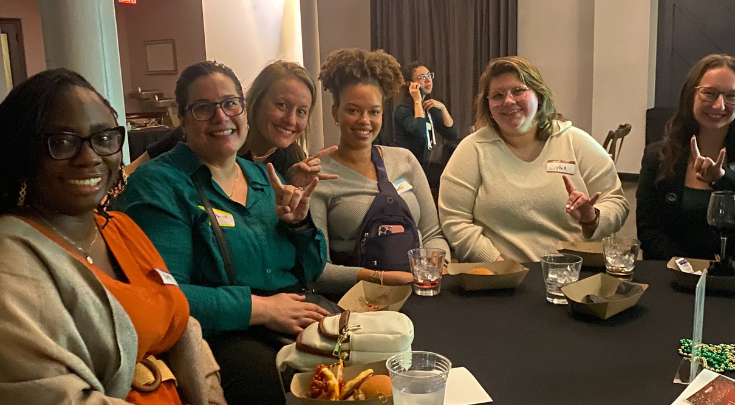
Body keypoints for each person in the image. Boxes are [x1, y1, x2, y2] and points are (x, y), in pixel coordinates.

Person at [117, 61, 330, 404]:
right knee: (259, 378)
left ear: (244, 109)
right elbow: (164, 299)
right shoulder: (159, 185)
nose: (221, 117)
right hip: (225, 331)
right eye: (203, 108)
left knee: (370, 354)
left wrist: (299, 226)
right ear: (182, 120)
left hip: (292, 310)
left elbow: (312, 269)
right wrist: (263, 308)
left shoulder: (263, 177)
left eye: (230, 103)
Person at [0, 69, 209, 404]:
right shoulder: (11, 260)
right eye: (63, 142)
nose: (90, 157)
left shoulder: (120, 228)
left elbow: (181, 323)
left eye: (104, 138)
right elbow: (54, 396)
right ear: (22, 151)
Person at [439, 56, 629, 263]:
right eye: (497, 95)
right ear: (488, 106)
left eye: (519, 90)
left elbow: (617, 201)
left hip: (572, 273)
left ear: (539, 95)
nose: (508, 101)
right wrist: (500, 266)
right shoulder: (472, 150)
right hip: (498, 278)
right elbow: (455, 221)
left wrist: (593, 218)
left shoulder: (576, 142)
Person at [311, 49, 450, 295]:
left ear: (382, 115)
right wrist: (380, 279)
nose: (364, 120)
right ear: (335, 112)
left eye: (373, 112)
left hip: (420, 294)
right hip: (357, 303)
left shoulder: (404, 160)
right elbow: (319, 270)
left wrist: (435, 267)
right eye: (353, 110)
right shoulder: (319, 175)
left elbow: (432, 234)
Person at [125, 61, 338, 189]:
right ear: (254, 102)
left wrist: (292, 184)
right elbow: (125, 178)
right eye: (281, 105)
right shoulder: (206, 134)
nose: (291, 120)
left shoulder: (291, 159)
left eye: (301, 112)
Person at [637, 54, 735, 260]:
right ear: (691, 95)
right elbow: (648, 230)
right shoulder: (657, 157)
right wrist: (687, 269)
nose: (720, 105)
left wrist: (720, 180)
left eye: (731, 96)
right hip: (672, 277)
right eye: (709, 93)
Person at [392, 61, 457, 167]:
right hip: (404, 164)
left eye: (429, 75)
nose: (428, 80)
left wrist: (443, 108)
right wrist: (417, 100)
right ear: (410, 83)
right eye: (422, 77)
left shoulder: (430, 108)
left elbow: (451, 134)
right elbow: (420, 132)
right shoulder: (402, 109)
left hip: (424, 164)